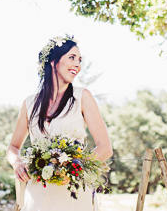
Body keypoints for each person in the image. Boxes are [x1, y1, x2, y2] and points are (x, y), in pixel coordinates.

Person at [7, 35, 113, 211]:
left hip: (74, 192)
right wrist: (17, 163)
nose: (77, 65)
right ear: (53, 61)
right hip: (38, 192)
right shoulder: (29, 103)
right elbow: (13, 147)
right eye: (72, 57)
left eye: (79, 60)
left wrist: (73, 169)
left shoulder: (82, 97)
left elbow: (105, 148)